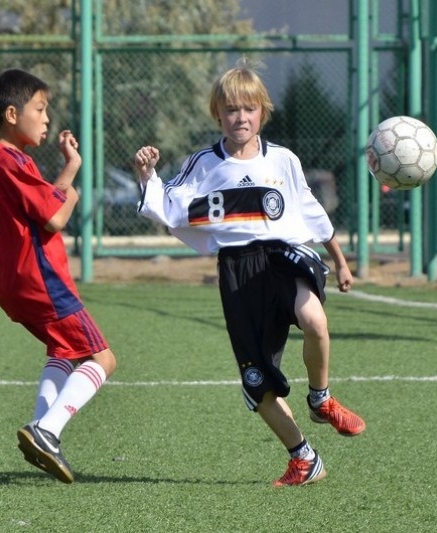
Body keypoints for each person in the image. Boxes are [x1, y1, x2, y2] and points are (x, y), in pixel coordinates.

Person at [133, 59, 365, 487]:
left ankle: (321, 398)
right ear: (217, 114)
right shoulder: (204, 163)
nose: (240, 117)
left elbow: (311, 210)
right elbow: (168, 204)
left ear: (262, 112)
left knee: (315, 320)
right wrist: (146, 173)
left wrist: (340, 259)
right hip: (238, 272)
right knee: (258, 386)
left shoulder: (283, 160)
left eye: (249, 109)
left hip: (284, 257)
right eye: (231, 109)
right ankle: (304, 458)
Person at [0, 68, 117, 483]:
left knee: (63, 350)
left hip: (11, 283)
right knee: (103, 359)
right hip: (40, 281)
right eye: (39, 109)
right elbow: (56, 216)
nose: (46, 118)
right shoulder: (11, 160)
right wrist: (73, 193)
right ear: (12, 114)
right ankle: (47, 430)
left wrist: (70, 167)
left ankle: (40, 432)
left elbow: (43, 209)